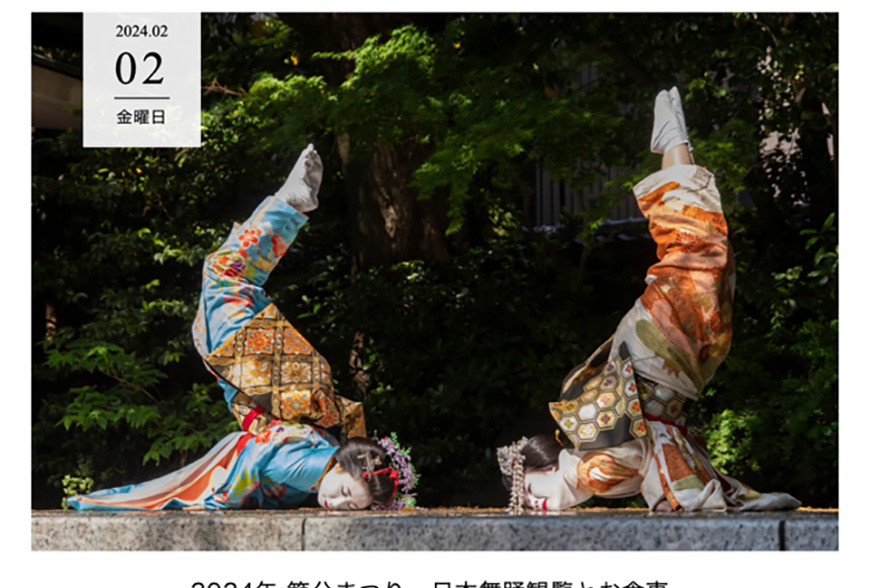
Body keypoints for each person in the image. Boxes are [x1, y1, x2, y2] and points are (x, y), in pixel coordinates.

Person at [498, 87, 801, 514]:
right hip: (672, 371)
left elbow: (638, 452)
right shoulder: (588, 471)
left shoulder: (581, 467)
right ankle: (676, 145)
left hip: (653, 355)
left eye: (528, 490)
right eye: (527, 502)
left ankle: (672, 141)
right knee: (712, 259)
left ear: (544, 468)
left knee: (698, 253)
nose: (535, 503)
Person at [68, 145, 417, 512]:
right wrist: (222, 501)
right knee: (223, 276)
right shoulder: (312, 469)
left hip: (271, 384)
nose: (337, 503)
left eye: (351, 506)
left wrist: (231, 497)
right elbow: (258, 455)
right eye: (345, 493)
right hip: (258, 374)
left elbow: (265, 462)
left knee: (224, 290)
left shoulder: (323, 467)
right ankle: (289, 206)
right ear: (344, 469)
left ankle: (289, 207)